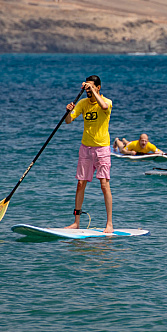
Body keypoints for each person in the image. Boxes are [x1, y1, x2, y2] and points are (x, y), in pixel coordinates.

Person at [64, 75, 114, 233]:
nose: (88, 91)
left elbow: (104, 107)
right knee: (80, 184)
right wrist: (68, 112)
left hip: (102, 149)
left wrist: (93, 90)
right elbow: (68, 121)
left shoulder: (107, 102)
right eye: (87, 88)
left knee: (104, 185)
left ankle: (109, 224)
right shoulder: (83, 103)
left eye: (91, 88)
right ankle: (76, 222)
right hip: (86, 148)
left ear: (98, 88)